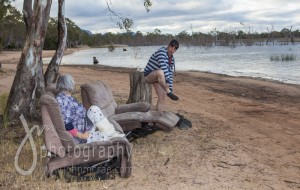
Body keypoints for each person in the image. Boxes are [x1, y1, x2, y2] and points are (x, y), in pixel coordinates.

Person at [56, 74, 124, 144]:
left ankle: (113, 134)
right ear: (69, 85)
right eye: (72, 83)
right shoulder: (62, 101)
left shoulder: (67, 97)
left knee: (94, 109)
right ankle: (115, 136)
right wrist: (82, 136)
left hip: (83, 125)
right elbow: (67, 125)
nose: (74, 85)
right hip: (80, 136)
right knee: (104, 135)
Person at [144, 39, 179, 112]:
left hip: (159, 79)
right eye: (172, 47)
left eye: (175, 49)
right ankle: (167, 91)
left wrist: (170, 87)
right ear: (168, 45)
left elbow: (169, 72)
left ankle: (158, 117)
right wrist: (167, 85)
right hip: (148, 76)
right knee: (160, 72)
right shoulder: (161, 52)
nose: (172, 50)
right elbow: (164, 68)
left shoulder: (171, 59)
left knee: (162, 98)